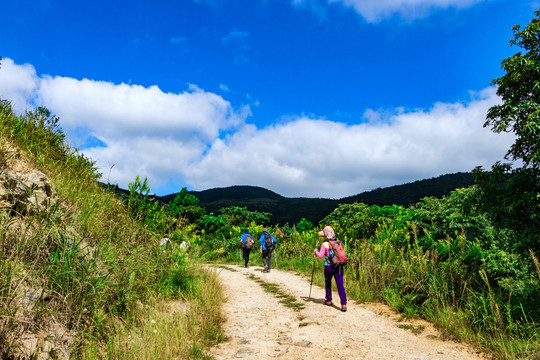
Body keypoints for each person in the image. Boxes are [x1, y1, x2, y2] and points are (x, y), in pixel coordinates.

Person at [314, 225, 347, 312]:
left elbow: (320, 256)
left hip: (329, 267)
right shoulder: (338, 242)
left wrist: (315, 252)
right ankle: (343, 304)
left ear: (325, 235)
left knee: (328, 282)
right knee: (340, 285)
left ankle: (328, 300)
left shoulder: (324, 244)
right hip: (339, 266)